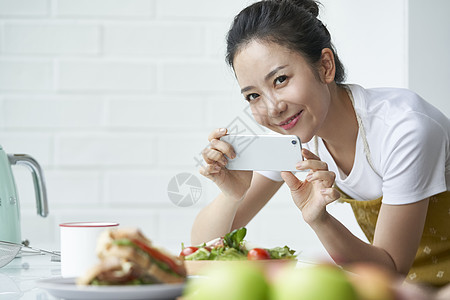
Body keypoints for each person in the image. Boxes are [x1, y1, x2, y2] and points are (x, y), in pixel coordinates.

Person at [191, 0, 450, 287]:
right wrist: (231, 195)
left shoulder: (403, 130)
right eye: (253, 96)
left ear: (326, 66)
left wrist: (320, 220)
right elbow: (200, 250)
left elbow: (390, 270)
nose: (273, 107)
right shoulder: (293, 141)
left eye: (280, 79)